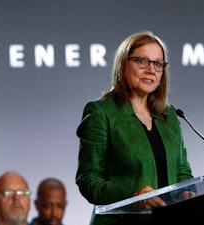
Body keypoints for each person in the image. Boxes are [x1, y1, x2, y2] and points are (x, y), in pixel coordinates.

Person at [75, 30, 196, 225]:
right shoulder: (101, 112)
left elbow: (182, 172)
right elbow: (88, 179)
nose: (152, 70)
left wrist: (187, 194)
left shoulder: (170, 115)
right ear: (123, 64)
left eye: (158, 64)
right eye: (142, 61)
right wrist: (133, 198)